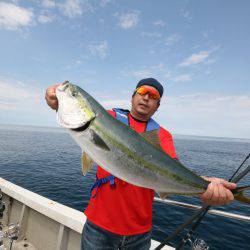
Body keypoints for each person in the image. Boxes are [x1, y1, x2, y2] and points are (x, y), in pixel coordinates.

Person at [45, 78, 236, 250]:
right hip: (99, 226)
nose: (146, 98)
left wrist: (204, 185)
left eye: (153, 96)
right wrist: (56, 101)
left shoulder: (163, 136)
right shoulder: (107, 117)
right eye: (142, 92)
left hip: (140, 232)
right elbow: (71, 111)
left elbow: (174, 172)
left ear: (157, 105)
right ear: (132, 96)